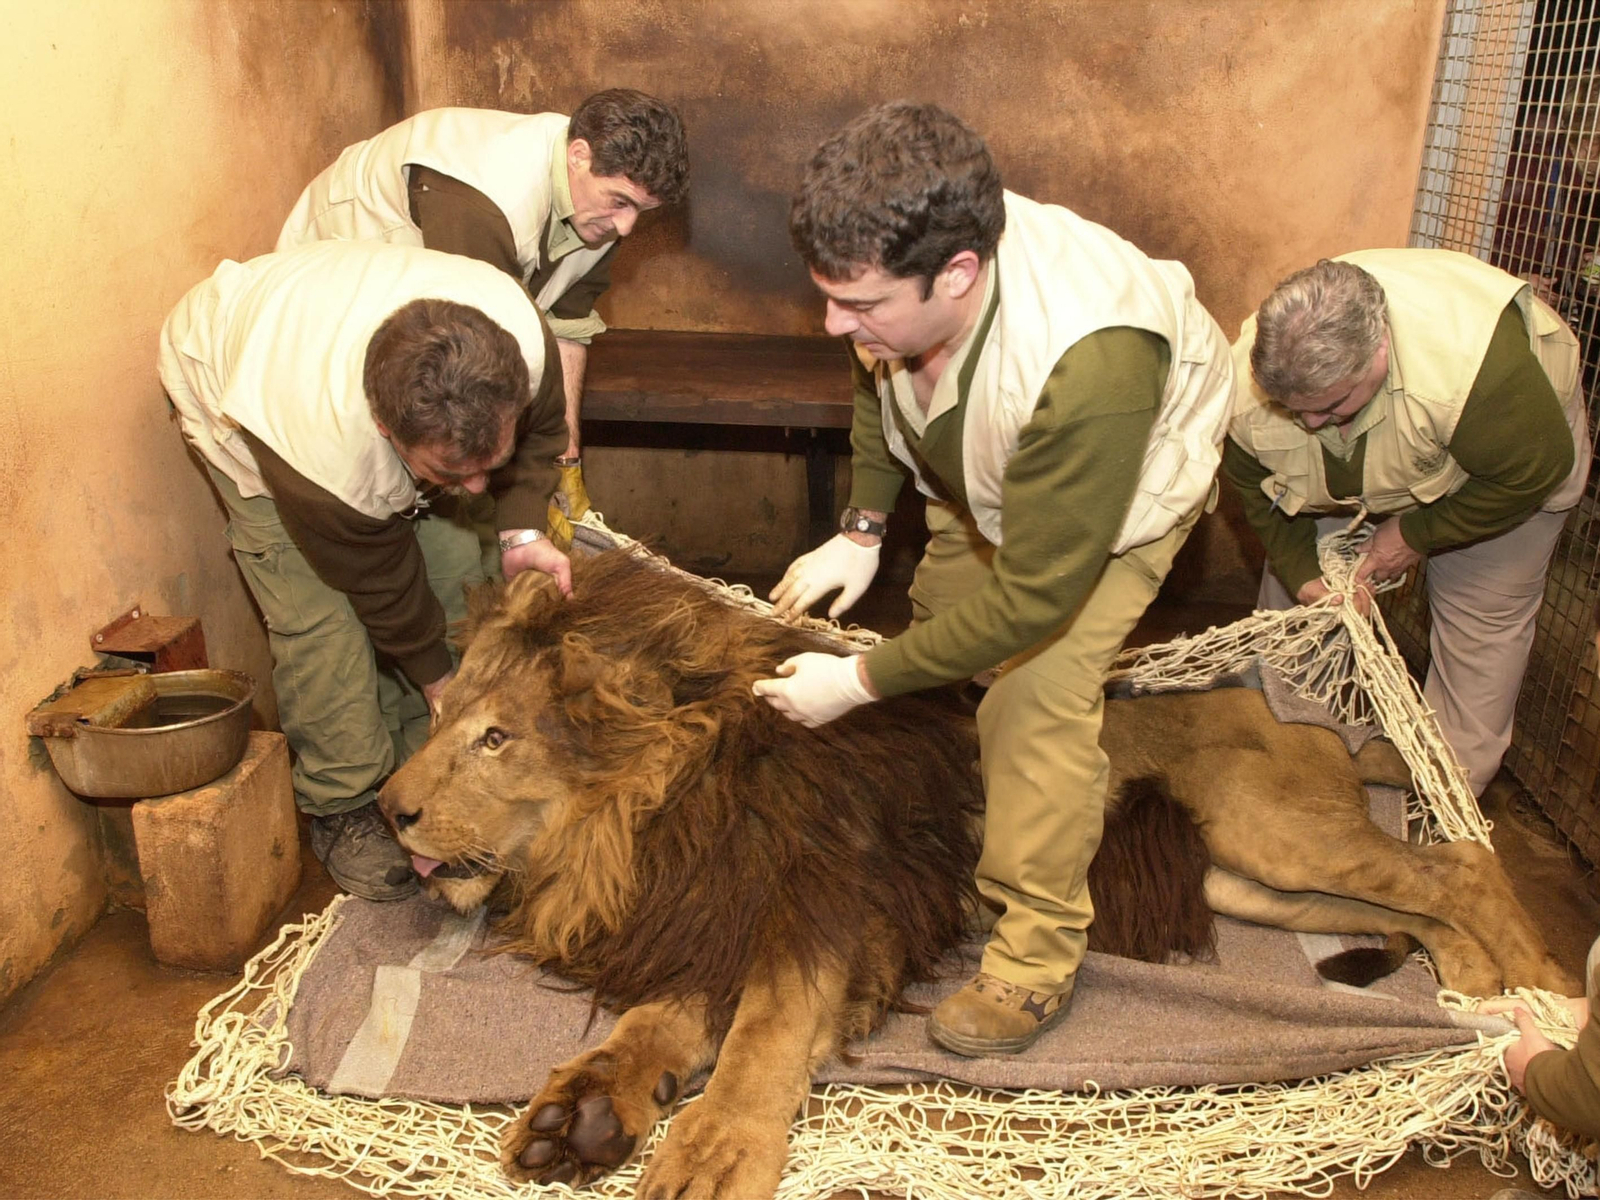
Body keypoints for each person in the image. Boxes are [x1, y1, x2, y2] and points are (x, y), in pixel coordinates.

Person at [753, 102, 1236, 1057]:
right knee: (941, 627)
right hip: (987, 455)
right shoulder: (904, 273)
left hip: (1115, 494)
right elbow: (874, 376)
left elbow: (1037, 599)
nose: (832, 323)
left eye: (859, 305)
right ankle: (1006, 807)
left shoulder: (1090, 359)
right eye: (827, 295)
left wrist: (854, 680)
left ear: (959, 274)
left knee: (1032, 688)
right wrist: (860, 528)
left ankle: (1036, 951)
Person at [157, 239, 571, 901]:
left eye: (487, 462)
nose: (469, 490)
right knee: (320, 618)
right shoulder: (319, 445)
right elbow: (382, 585)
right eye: (446, 473)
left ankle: (427, 761)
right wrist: (441, 683)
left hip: (340, 337)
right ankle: (342, 801)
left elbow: (545, 432)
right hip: (241, 400)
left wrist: (520, 528)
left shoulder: (520, 337)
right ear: (384, 426)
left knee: (464, 566)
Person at [1223, 250, 1590, 798]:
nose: (1311, 423)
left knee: (1481, 614)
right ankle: (1290, 741)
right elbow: (1258, 490)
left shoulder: (1471, 374)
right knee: (1304, 594)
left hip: (1501, 468)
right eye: (1293, 409)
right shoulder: (1247, 389)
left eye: (1331, 407)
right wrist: (1303, 574)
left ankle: (1440, 801)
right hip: (1390, 453)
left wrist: (1414, 536)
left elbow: (1530, 473)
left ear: (1380, 349)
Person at [277, 89, 690, 538]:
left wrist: (565, 463)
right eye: (621, 202)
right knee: (389, 498)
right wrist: (525, 502)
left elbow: (565, 328)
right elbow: (487, 363)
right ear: (578, 155)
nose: (627, 227)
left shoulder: (598, 207)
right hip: (332, 319)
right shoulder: (484, 202)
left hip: (430, 326)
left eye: (642, 212)